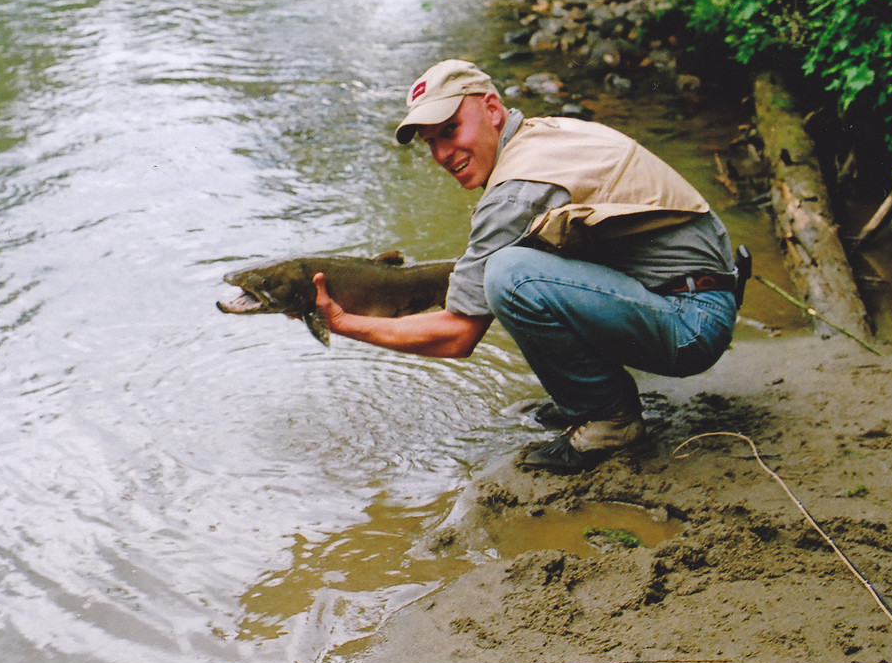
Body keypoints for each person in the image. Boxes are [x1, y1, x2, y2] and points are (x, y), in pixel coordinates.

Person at [311, 59, 739, 473]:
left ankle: (610, 421)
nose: (442, 153)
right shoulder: (542, 135)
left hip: (692, 324)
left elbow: (458, 335)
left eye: (450, 130)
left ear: (492, 108)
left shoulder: (516, 191)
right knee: (517, 267)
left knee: (509, 275)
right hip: (698, 296)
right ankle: (588, 399)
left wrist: (343, 323)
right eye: (431, 142)